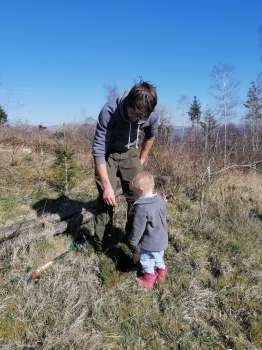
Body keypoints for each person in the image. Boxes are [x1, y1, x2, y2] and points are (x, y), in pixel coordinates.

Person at [92, 81, 158, 252]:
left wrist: (142, 157)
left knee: (139, 195)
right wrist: (107, 186)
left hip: (130, 153)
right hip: (108, 154)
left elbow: (151, 135)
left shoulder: (150, 116)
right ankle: (102, 244)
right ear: (128, 103)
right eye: (133, 114)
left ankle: (133, 239)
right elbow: (98, 149)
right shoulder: (109, 111)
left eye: (140, 118)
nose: (136, 119)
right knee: (107, 198)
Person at [128, 171, 168, 289]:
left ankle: (148, 281)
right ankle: (161, 275)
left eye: (134, 192)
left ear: (140, 191)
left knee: (147, 261)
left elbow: (138, 228)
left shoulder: (142, 208)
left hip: (149, 243)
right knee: (159, 258)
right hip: (162, 239)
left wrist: (133, 241)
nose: (134, 195)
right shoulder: (160, 200)